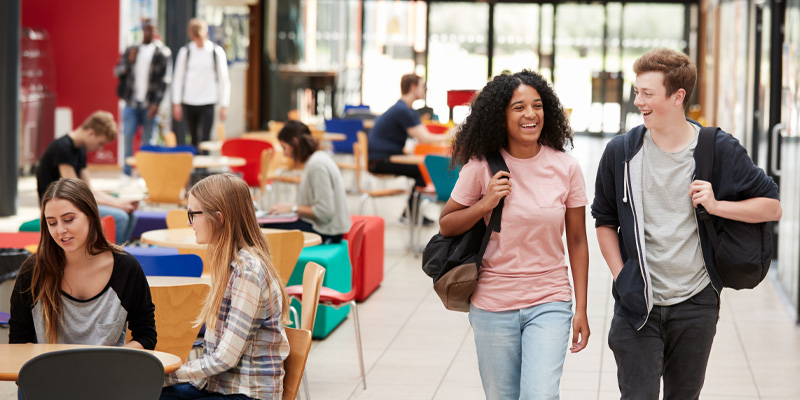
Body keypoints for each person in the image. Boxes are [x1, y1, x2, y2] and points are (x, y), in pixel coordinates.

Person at [591, 48, 782, 399]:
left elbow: (772, 208)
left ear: (677, 96)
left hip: (696, 304)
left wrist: (717, 205)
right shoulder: (621, 153)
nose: (638, 101)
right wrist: (622, 276)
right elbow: (604, 220)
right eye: (637, 92)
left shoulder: (717, 149)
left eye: (648, 94)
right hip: (638, 304)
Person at [439, 70, 590, 399]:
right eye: (518, 107)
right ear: (499, 116)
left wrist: (581, 308)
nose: (531, 114)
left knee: (540, 395)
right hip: (493, 303)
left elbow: (577, 240)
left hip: (550, 299)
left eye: (537, 106)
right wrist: (485, 203)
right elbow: (446, 224)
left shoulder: (566, 168)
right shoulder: (480, 167)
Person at [161, 173, 289, 400]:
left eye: (193, 214)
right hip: (222, 386)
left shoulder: (247, 271)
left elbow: (225, 358)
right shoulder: (232, 263)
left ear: (219, 218)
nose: (189, 222)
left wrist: (166, 375)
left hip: (245, 394)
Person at [9, 178, 156, 349]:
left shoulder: (126, 268)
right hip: (48, 374)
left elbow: (146, 336)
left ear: (91, 216)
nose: (60, 230)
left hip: (108, 373)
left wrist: (113, 360)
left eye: (69, 219)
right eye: (52, 223)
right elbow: (18, 341)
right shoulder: (33, 270)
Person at [36, 111, 139, 244]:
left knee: (131, 216)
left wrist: (121, 202)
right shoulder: (62, 148)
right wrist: (117, 204)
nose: (100, 148)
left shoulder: (80, 150)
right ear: (91, 133)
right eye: (100, 143)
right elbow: (77, 193)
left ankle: (121, 252)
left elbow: (88, 190)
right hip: (58, 206)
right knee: (120, 217)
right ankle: (109, 256)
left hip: (73, 202)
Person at [368, 73, 449, 225]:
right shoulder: (402, 110)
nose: (424, 90)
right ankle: (410, 214)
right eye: (422, 86)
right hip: (379, 161)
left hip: (383, 157)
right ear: (413, 87)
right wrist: (449, 136)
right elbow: (424, 138)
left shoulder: (404, 109)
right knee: (423, 170)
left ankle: (410, 213)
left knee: (422, 169)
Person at [267, 120, 351, 244]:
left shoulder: (317, 165)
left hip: (326, 232)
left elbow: (325, 212)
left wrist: (292, 208)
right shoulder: (317, 159)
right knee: (269, 224)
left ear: (295, 143)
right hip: (325, 228)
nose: (285, 154)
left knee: (266, 228)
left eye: (285, 148)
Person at [114, 18, 172, 177]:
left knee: (148, 141)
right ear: (142, 30)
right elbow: (118, 72)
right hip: (131, 102)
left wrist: (156, 104)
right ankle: (126, 173)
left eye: (151, 29)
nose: (148, 32)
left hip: (149, 104)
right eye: (146, 29)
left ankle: (145, 174)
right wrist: (129, 61)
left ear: (156, 31)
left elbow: (164, 82)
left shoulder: (163, 53)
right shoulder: (132, 50)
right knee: (127, 136)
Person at [172, 18, 231, 152]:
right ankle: (195, 170)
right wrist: (176, 103)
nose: (199, 40)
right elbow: (178, 79)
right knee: (192, 138)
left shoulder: (216, 51)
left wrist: (224, 104)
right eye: (196, 37)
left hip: (208, 100)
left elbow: (224, 80)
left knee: (205, 139)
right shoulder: (185, 52)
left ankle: (204, 171)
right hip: (189, 101)